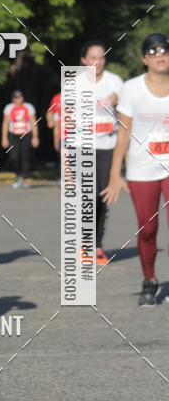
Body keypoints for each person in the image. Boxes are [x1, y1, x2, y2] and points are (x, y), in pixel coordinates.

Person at [101, 34, 169, 306]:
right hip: (142, 168)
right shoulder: (132, 88)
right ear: (144, 59)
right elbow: (123, 135)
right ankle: (149, 280)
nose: (159, 54)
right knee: (148, 229)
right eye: (152, 51)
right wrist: (115, 174)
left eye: (164, 49)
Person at [79, 40, 124, 264]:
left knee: (102, 196)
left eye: (101, 57)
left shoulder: (115, 81)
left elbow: (127, 112)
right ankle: (86, 244)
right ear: (84, 61)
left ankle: (97, 244)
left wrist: (117, 102)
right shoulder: (74, 84)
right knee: (87, 196)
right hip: (82, 145)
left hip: (108, 145)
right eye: (93, 58)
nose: (97, 62)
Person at [1, 90, 39, 187]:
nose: (19, 99)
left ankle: (26, 178)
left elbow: (33, 122)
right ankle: (18, 177)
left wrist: (35, 137)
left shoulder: (29, 107)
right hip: (13, 135)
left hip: (26, 134)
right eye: (17, 97)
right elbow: (5, 123)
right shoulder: (9, 108)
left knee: (25, 156)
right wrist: (4, 138)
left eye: (20, 97)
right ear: (13, 99)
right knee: (14, 157)